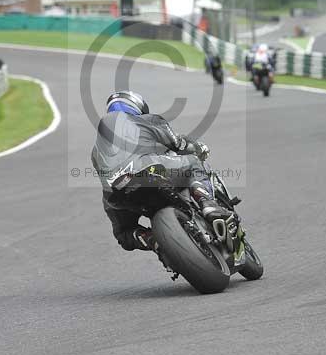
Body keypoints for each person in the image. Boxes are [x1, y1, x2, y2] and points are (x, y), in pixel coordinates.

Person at [91, 91, 231, 251]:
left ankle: (153, 241)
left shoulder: (95, 151)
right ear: (137, 107)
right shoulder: (147, 120)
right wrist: (199, 147)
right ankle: (208, 204)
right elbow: (180, 144)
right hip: (147, 170)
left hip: (115, 194)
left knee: (124, 233)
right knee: (193, 163)